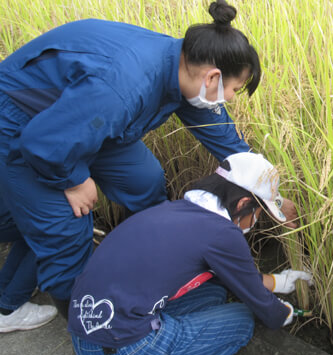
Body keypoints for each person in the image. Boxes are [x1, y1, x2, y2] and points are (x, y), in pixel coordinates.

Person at [0, 0, 298, 324]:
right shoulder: (125, 86)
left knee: (144, 179)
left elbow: (229, 143)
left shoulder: (184, 70)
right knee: (68, 225)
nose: (229, 99)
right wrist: (73, 180)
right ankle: (75, 323)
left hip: (85, 122)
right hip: (27, 128)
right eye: (234, 89)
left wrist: (274, 196)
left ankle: (157, 254)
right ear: (213, 77)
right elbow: (42, 142)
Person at [68, 152, 312, 355]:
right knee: (243, 320)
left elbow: (228, 275)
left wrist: (277, 281)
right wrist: (285, 312)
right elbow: (270, 314)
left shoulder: (179, 211)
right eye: (258, 214)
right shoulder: (223, 233)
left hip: (87, 336)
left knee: (214, 293)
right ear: (243, 203)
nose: (255, 222)